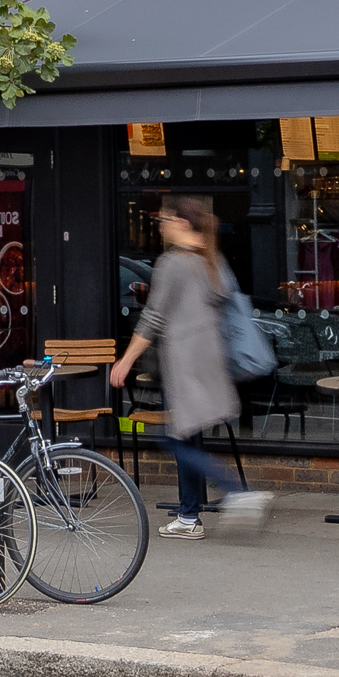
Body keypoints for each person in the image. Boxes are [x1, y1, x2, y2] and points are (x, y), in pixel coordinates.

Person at [109, 198, 266, 536]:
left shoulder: (173, 263)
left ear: (181, 222)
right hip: (210, 360)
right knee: (189, 438)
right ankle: (189, 517)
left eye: (165, 219)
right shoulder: (212, 259)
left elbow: (153, 317)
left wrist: (126, 360)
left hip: (185, 364)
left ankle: (237, 492)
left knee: (176, 441)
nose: (161, 225)